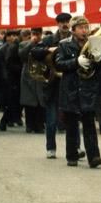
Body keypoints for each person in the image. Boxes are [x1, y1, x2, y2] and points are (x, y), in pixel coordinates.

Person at [54, 16, 101, 168]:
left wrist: (99, 60)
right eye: (81, 28)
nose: (85, 30)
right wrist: (76, 62)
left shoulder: (93, 43)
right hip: (70, 90)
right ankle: (71, 156)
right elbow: (58, 64)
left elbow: (100, 69)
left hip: (87, 90)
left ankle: (94, 157)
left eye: (86, 27)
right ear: (73, 30)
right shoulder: (64, 44)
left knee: (89, 125)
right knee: (71, 126)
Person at [31, 12, 73, 159]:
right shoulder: (49, 39)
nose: (65, 24)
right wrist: (48, 49)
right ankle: (51, 148)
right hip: (52, 83)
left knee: (72, 119)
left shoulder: (74, 39)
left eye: (67, 21)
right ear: (58, 24)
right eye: (62, 22)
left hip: (69, 82)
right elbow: (34, 51)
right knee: (51, 119)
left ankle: (75, 148)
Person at [18, 28, 49, 134]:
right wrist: (31, 43)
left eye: (38, 34)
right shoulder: (23, 44)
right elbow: (22, 55)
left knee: (40, 102)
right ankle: (29, 125)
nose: (36, 36)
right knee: (29, 102)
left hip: (40, 74)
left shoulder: (44, 44)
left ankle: (39, 125)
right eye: (34, 33)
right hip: (28, 76)